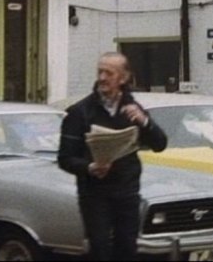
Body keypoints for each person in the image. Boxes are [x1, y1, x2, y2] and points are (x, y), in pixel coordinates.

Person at [58, 52, 168, 260]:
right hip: (95, 193)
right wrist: (90, 167)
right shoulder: (81, 112)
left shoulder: (133, 109)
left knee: (127, 248)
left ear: (123, 78)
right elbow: (65, 158)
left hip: (126, 191)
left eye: (108, 73)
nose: (102, 78)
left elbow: (160, 144)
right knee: (100, 249)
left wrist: (145, 122)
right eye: (100, 72)